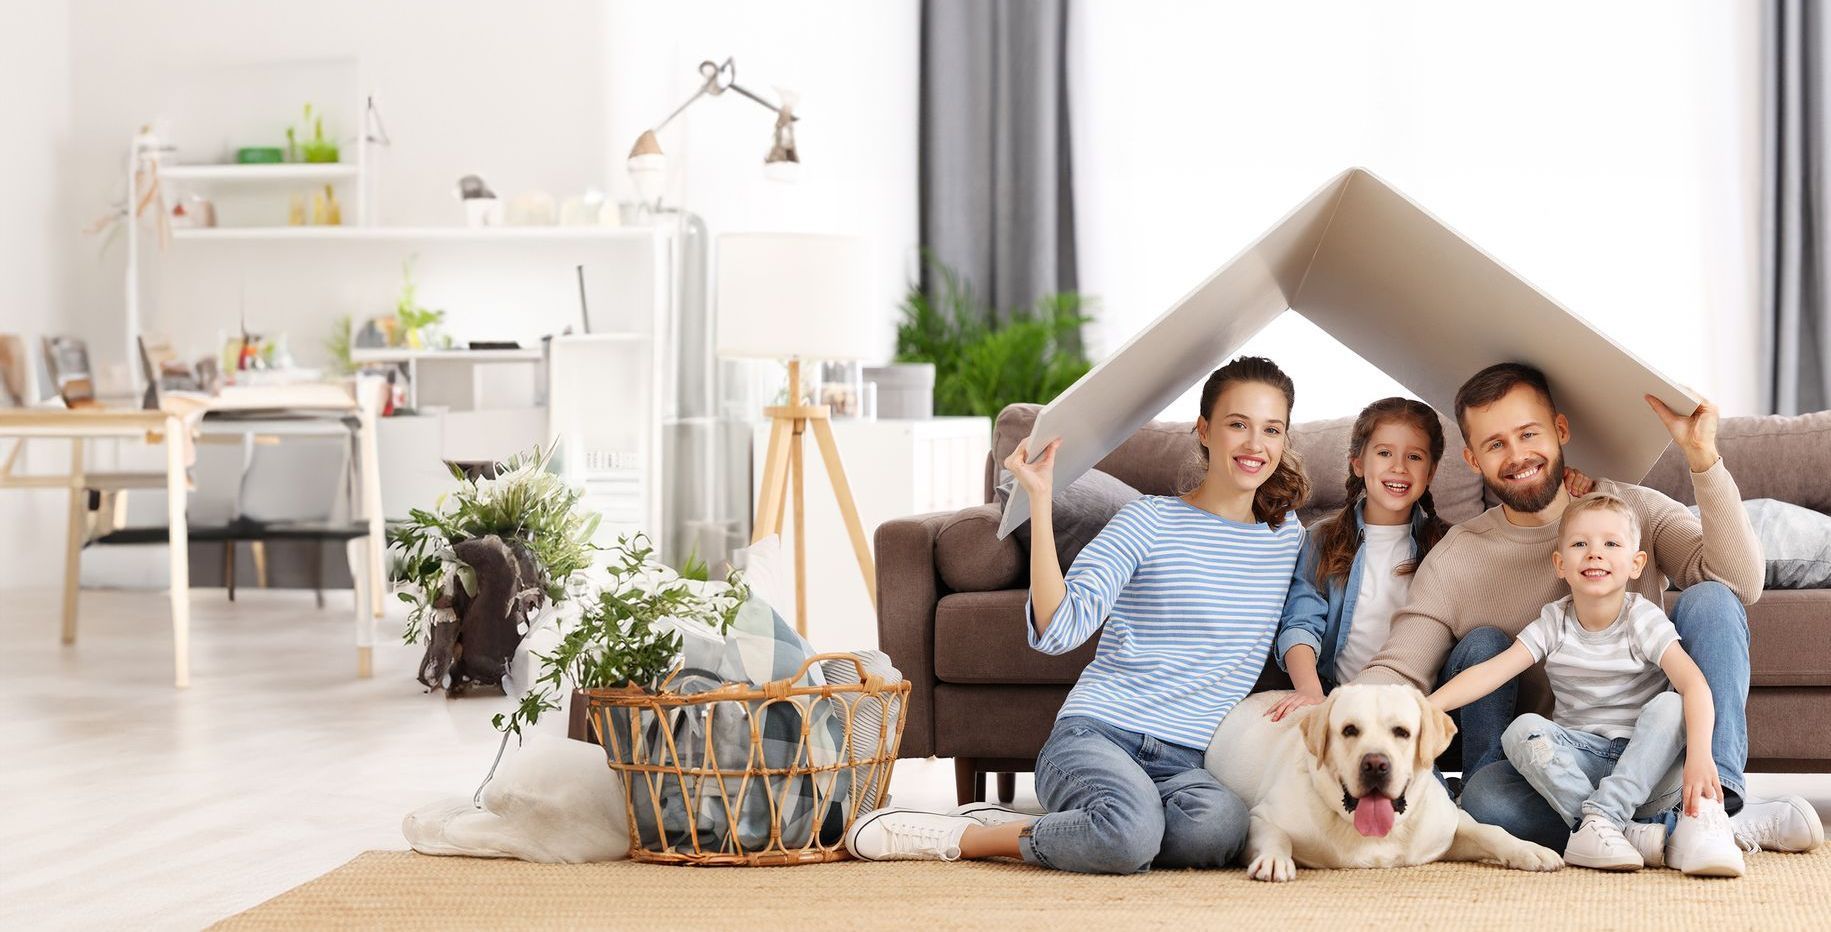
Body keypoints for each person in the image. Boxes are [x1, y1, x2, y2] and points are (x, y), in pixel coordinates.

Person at [845, 357, 1309, 872]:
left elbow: (1312, 615)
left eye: (1272, 430)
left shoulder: (1287, 538)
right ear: (1203, 430)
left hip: (1187, 760)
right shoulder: (1149, 519)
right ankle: (968, 835)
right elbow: (1059, 628)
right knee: (1130, 837)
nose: (1255, 445)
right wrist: (1039, 502)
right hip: (1098, 733)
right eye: (1237, 424)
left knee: (1220, 830)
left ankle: (1111, 822)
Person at [1353, 362, 1823, 856]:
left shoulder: (1629, 512)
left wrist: (1703, 459)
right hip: (1556, 763)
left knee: (1711, 597)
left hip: (1654, 746)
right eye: (1496, 445)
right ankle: (1663, 831)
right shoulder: (1458, 554)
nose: (1517, 456)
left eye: (1528, 433)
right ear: (1473, 459)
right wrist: (1329, 713)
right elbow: (1401, 665)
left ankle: (1714, 806)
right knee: (1486, 797)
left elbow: (1739, 583)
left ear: (1560, 431)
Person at [1431, 493, 1745, 875]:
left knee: (1671, 706)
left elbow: (1694, 685)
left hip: (1646, 766)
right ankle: (1632, 831)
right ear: (1560, 564)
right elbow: (1493, 671)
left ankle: (1603, 822)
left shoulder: (1641, 618)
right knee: (1491, 783)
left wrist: (1699, 757)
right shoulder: (1553, 620)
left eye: (1611, 544)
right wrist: (1427, 707)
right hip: (1576, 765)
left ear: (1635, 563)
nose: (1595, 554)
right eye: (1581, 544)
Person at [1265, 396, 1592, 723]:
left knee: (1486, 641)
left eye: (1414, 457)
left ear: (1431, 471)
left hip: (1435, 706)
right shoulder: (1322, 539)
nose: (1398, 467)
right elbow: (1301, 623)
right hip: (1345, 695)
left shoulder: (1452, 545)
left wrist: (1570, 497)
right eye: (1384, 453)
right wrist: (1311, 692)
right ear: (1358, 463)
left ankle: (1482, 769)